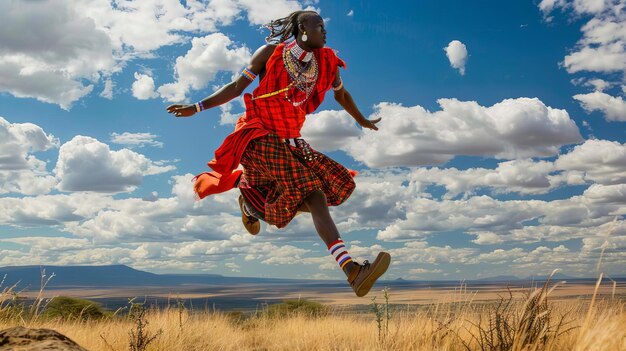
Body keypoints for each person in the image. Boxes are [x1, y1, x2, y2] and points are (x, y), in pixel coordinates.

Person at [166, 10, 390, 297]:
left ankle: (351, 272)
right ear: (301, 30)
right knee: (307, 188)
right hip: (258, 135)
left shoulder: (327, 62)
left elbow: (341, 95)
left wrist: (362, 119)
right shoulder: (270, 53)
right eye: (318, 26)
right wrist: (196, 107)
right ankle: (351, 270)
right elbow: (236, 87)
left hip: (290, 139)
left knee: (321, 193)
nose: (324, 30)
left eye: (324, 26)